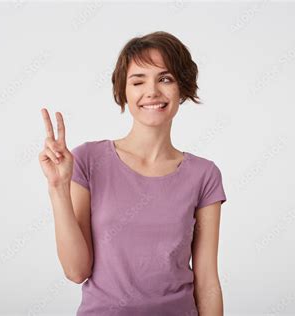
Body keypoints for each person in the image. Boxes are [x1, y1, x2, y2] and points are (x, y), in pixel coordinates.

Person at [39, 31, 227, 316]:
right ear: (123, 91)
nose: (151, 91)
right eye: (138, 81)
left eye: (165, 79)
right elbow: (77, 271)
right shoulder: (88, 160)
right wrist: (58, 188)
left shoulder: (204, 175)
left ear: (182, 89)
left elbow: (208, 281)